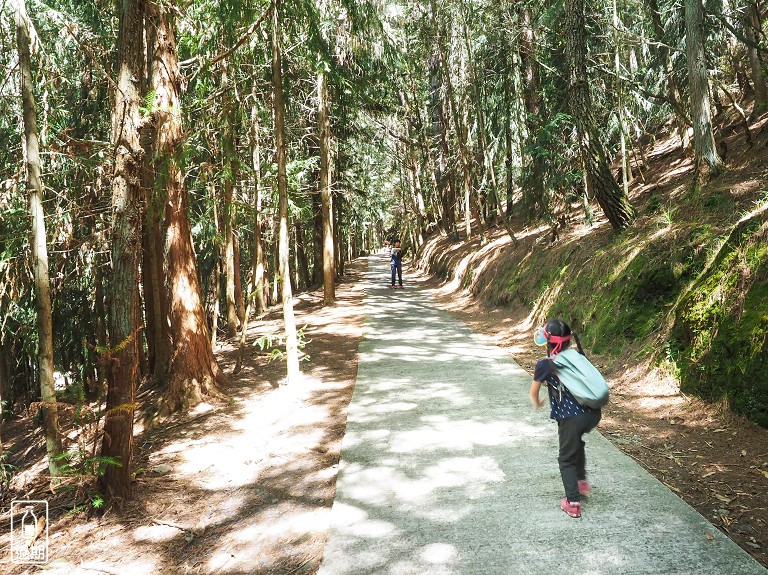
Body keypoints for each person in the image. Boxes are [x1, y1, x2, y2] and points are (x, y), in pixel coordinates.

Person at [529, 319, 602, 518]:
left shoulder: (546, 364)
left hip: (571, 418)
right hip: (593, 413)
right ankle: (581, 483)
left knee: (565, 458)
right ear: (569, 341)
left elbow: (533, 392)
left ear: (548, 342)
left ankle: (572, 502)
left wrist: (536, 402)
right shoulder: (577, 355)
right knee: (576, 443)